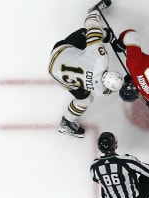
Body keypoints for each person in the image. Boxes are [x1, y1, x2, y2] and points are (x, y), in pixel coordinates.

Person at [48, 0, 124, 138]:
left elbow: (91, 26)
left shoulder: (100, 58)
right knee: (86, 100)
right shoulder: (101, 90)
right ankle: (66, 122)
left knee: (87, 32)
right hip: (60, 76)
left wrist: (105, 33)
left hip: (59, 54)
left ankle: (94, 11)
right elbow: (108, 90)